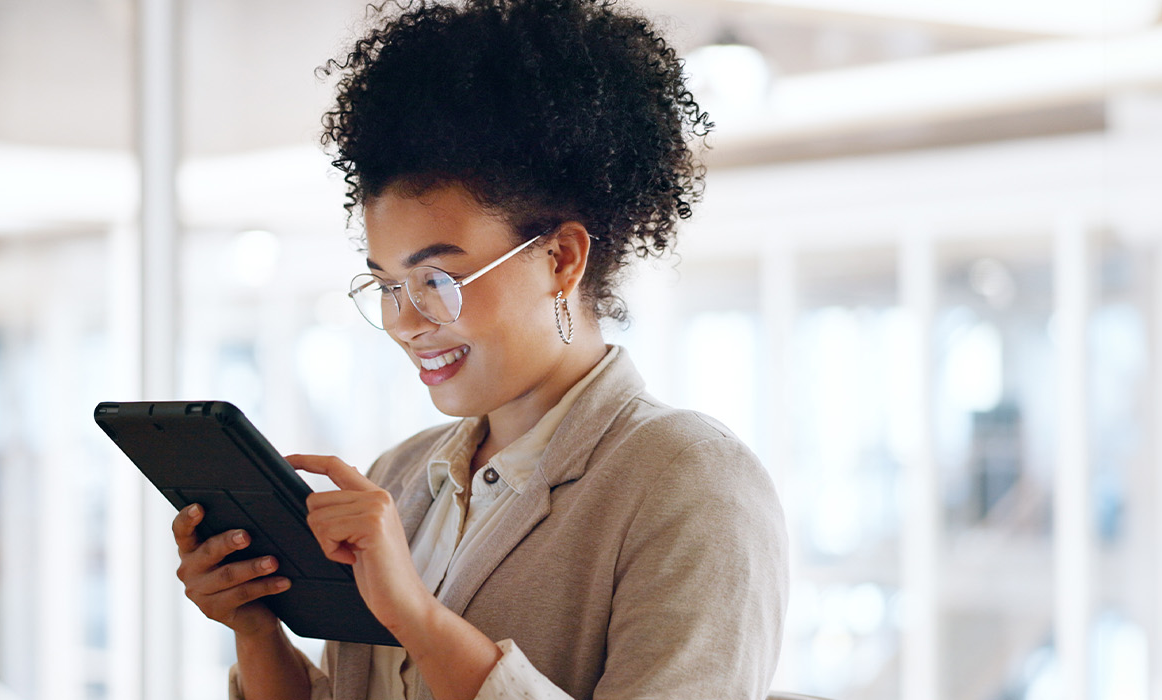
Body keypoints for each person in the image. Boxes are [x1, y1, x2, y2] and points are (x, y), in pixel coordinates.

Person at [170, 1, 788, 699]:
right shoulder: (399, 479)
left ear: (560, 258)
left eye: (437, 279)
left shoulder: (690, 481)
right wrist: (256, 628)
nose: (405, 322)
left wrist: (417, 618)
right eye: (385, 285)